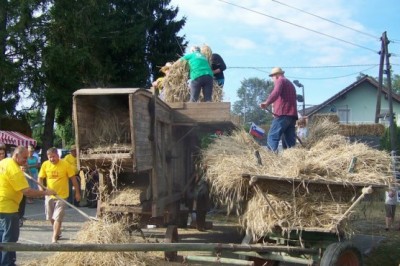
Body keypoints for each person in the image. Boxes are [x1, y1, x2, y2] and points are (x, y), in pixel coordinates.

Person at [0, 146, 56, 265]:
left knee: (2, 236)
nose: (26, 161)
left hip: (2, 205)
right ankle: (7, 263)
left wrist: (20, 169)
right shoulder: (15, 171)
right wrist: (46, 192)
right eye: (24, 158)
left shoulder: (5, 161)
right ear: (16, 156)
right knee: (10, 238)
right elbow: (27, 191)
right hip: (8, 207)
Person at [38, 147, 81, 243]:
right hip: (49, 195)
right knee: (50, 217)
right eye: (49, 157)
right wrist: (41, 190)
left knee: (57, 217)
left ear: (58, 155)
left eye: (53, 156)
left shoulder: (65, 164)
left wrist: (77, 192)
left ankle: (54, 237)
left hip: (62, 196)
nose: (52, 159)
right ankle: (57, 231)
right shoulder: (45, 165)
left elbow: (73, 179)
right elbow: (40, 178)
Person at [260, 67, 298, 152]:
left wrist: (267, 103)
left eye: (272, 77)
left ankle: (271, 158)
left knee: (272, 136)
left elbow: (276, 93)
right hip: (292, 116)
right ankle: (293, 158)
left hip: (282, 114)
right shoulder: (290, 84)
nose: (272, 79)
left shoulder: (280, 81)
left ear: (276, 75)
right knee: (290, 140)